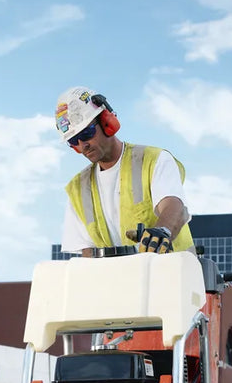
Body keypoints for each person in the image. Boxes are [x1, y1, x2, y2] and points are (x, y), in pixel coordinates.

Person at [55, 86, 194, 256]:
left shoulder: (153, 160)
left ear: (106, 121)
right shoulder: (78, 189)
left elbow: (174, 208)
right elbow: (88, 253)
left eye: (86, 133)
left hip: (175, 274)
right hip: (122, 280)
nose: (83, 145)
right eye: (74, 141)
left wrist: (162, 232)